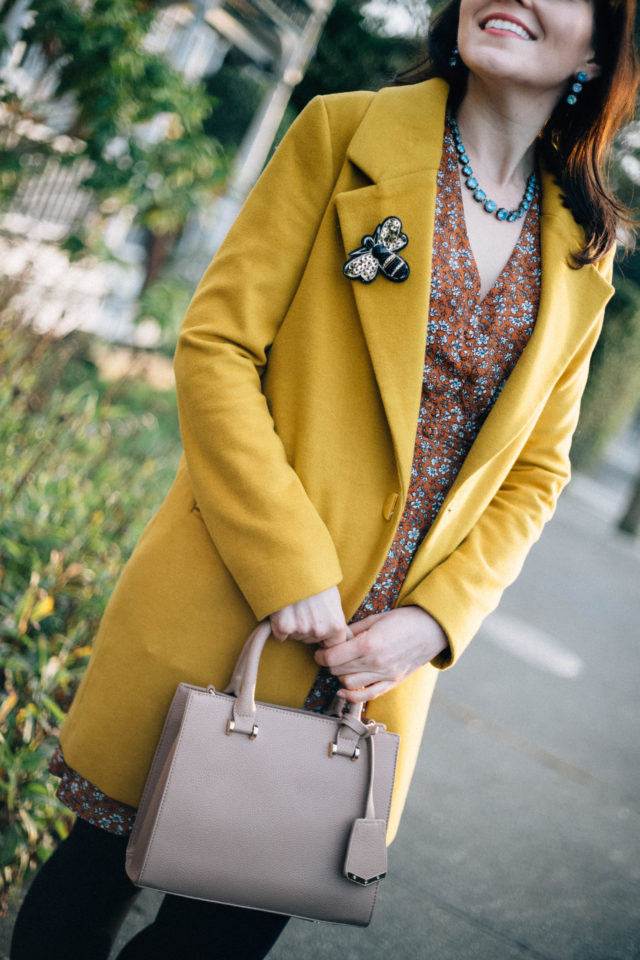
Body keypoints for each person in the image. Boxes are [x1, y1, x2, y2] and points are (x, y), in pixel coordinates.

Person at [11, 0, 638, 957]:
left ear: (601, 45)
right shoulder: (341, 132)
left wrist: (433, 624)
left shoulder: (582, 250)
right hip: (229, 610)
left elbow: (536, 474)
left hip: (368, 678)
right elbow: (217, 347)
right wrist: (289, 564)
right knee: (88, 889)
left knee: (218, 943)